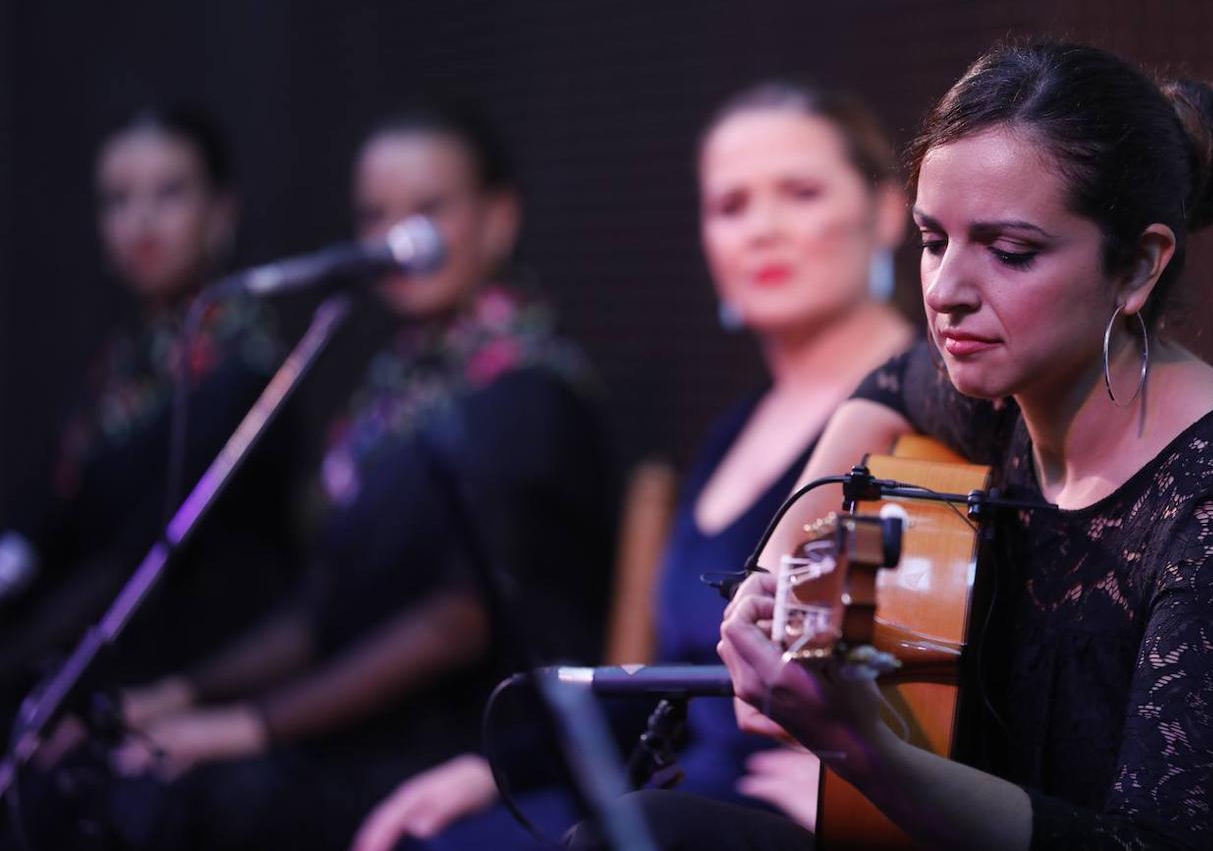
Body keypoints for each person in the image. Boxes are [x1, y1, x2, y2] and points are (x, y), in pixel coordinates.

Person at [581, 41, 1213, 850]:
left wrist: (863, 751)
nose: (945, 293)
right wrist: (775, 572)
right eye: (932, 240)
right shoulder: (1003, 392)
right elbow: (885, 386)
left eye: (1010, 252)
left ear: (1138, 267)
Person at [351, 82, 918, 851]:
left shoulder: (926, 422)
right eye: (731, 206)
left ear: (886, 211)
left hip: (775, 819)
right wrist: (497, 769)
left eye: (802, 192)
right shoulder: (734, 429)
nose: (764, 230)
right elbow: (668, 681)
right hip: (679, 783)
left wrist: (878, 789)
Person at [94, 101, 615, 850]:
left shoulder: (531, 391)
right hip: (368, 733)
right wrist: (183, 696)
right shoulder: (393, 390)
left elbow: (455, 623)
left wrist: (249, 727)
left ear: (498, 218)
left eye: (429, 208)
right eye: (375, 216)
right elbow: (323, 608)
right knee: (127, 777)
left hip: (471, 746)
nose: (398, 238)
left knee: (201, 804)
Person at [0, 105, 295, 710]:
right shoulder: (121, 363)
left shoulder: (246, 365)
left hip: (190, 676)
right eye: (118, 199)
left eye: (169, 193)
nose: (141, 221)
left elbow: (140, 550)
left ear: (222, 212)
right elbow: (47, 516)